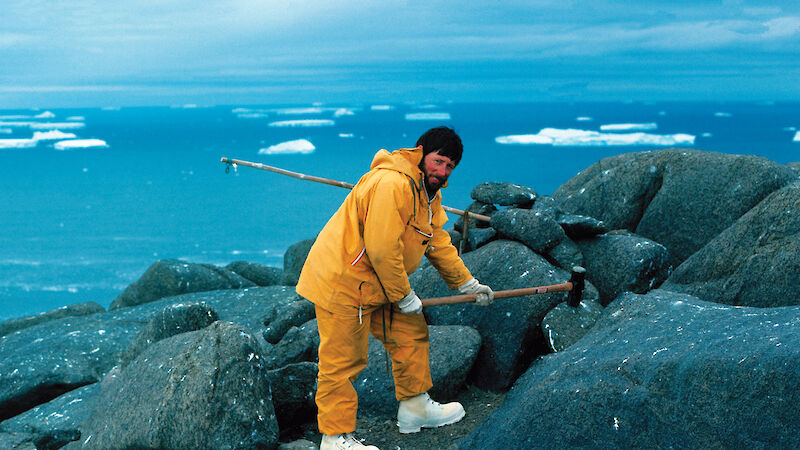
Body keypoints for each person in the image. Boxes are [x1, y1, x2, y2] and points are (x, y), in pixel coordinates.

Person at [296, 126, 494, 450]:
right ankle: (334, 438)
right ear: (420, 152)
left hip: (378, 283)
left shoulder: (427, 192)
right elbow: (381, 248)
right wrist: (403, 295)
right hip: (344, 281)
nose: (442, 172)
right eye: (438, 161)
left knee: (410, 334)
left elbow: (438, 241)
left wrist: (466, 283)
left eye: (449, 167)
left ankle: (414, 408)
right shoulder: (392, 184)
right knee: (343, 362)